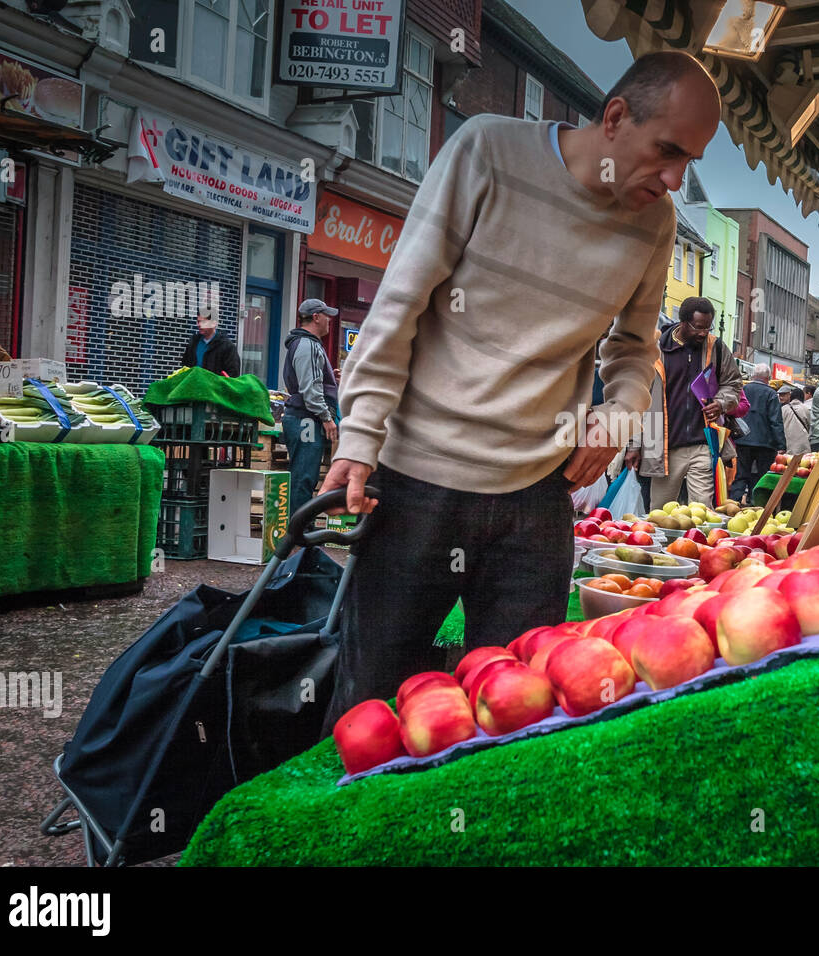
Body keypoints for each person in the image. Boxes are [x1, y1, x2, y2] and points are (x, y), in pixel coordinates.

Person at [318, 52, 722, 731]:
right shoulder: (487, 150)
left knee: (521, 716)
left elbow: (632, 350)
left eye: (691, 161)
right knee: (373, 705)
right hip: (417, 482)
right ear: (616, 117)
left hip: (537, 501)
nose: (676, 178)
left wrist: (618, 417)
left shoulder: (653, 224)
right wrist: (359, 437)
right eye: (668, 151)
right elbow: (399, 305)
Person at [625, 296, 742, 508]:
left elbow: (733, 384)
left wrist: (721, 402)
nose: (703, 333)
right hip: (663, 447)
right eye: (698, 327)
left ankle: (698, 541)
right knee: (660, 512)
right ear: (683, 323)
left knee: (703, 512)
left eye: (708, 327)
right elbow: (637, 398)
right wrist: (633, 445)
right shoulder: (656, 349)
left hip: (703, 443)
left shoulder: (715, 347)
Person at [282, 299, 340, 517]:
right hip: (306, 419)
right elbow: (309, 388)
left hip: (302, 418)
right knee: (303, 477)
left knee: (303, 476)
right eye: (326, 315)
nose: (329, 321)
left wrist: (329, 381)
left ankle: (298, 529)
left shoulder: (305, 344)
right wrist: (326, 418)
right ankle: (299, 533)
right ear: (316, 317)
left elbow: (309, 382)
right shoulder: (308, 344)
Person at [730, 364, 786, 502]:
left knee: (741, 473)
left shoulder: (743, 389)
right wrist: (781, 444)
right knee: (763, 474)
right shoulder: (771, 394)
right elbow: (775, 421)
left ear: (753, 376)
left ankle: (734, 502)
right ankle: (757, 502)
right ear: (768, 378)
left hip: (743, 439)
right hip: (765, 442)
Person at [180, 304, 240, 376]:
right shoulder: (193, 342)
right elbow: (185, 366)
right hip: (194, 386)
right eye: (198, 321)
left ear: (214, 323)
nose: (199, 325)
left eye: (203, 322)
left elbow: (233, 373)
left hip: (215, 387)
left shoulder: (227, 346)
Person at [780, 384, 811, 455]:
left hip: (788, 442)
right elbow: (809, 425)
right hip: (803, 443)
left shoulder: (783, 409)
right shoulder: (805, 408)